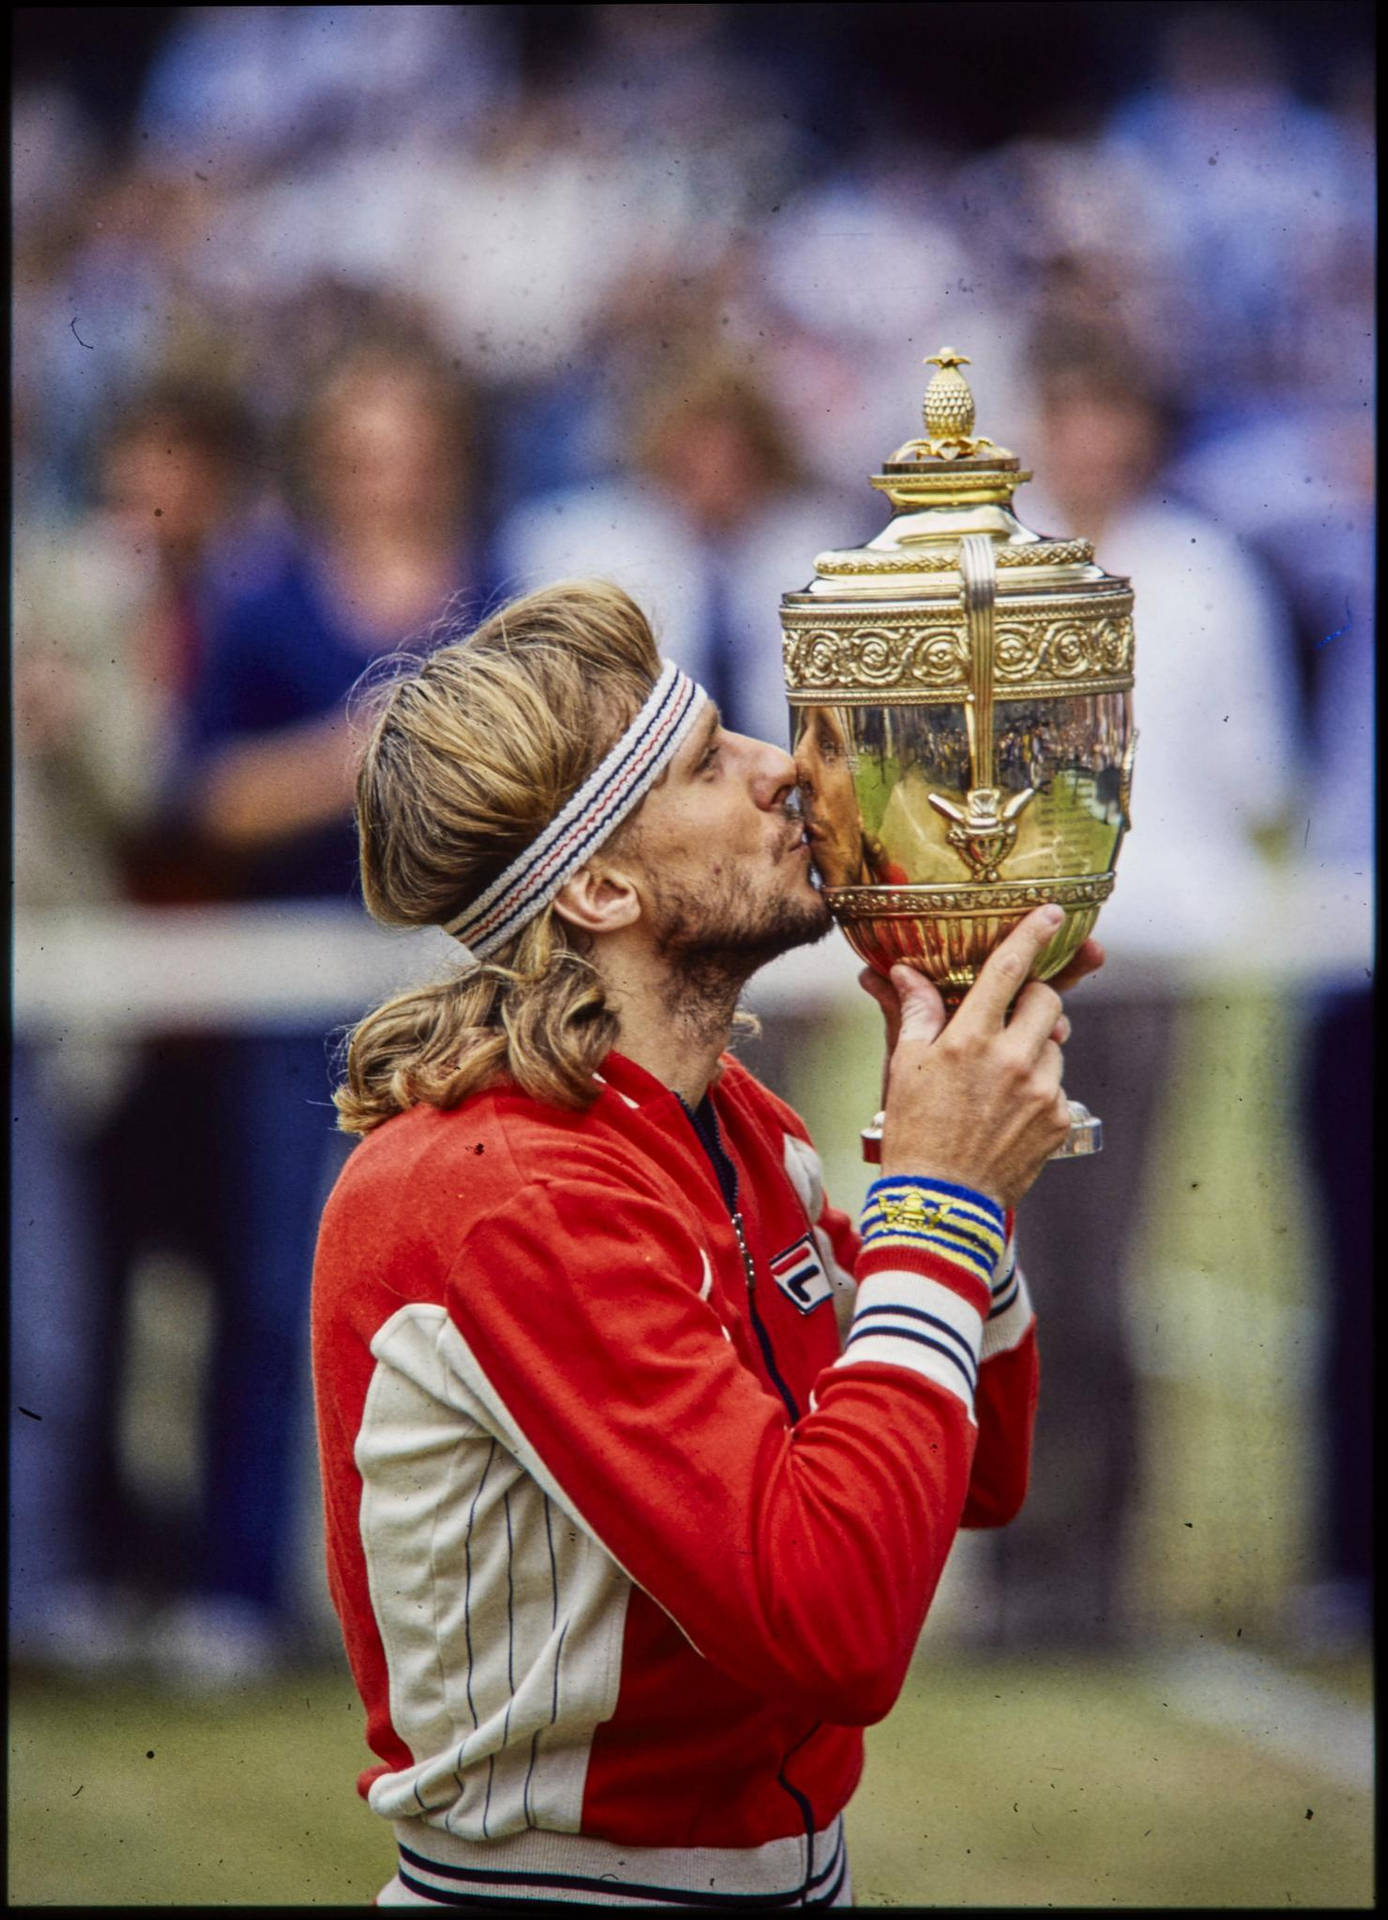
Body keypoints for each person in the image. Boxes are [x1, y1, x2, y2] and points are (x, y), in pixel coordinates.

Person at [312, 579, 1101, 1906]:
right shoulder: (503, 1189)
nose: (783, 768)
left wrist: (959, 1137)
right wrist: (941, 1198)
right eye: (703, 762)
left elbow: (971, 1477)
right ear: (604, 886)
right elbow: (832, 1623)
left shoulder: (727, 1119)